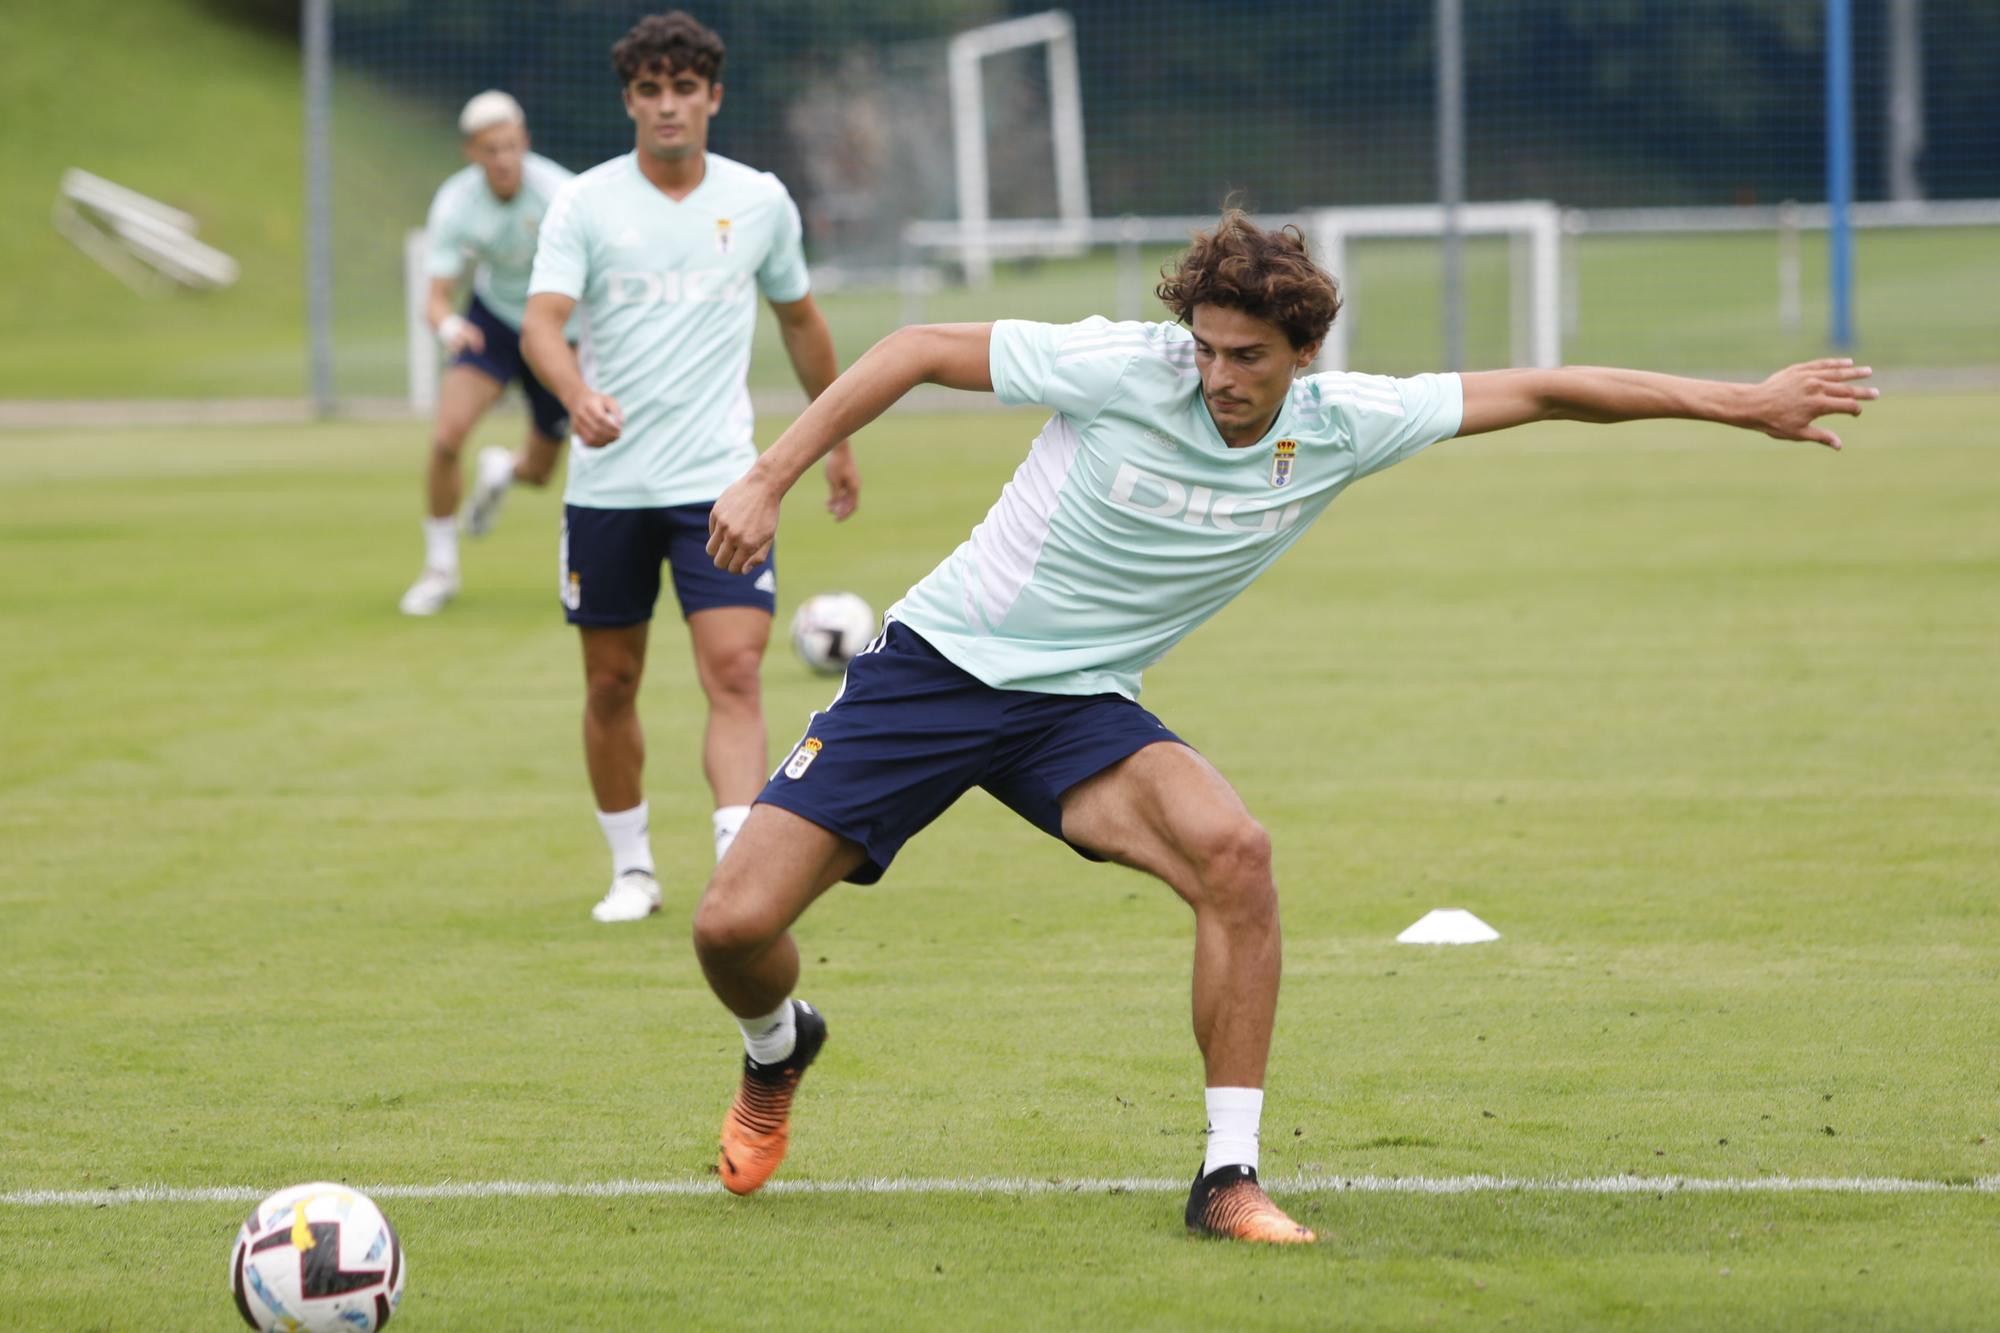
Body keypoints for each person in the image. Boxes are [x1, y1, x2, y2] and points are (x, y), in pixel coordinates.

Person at [694, 211, 1877, 1241]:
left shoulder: (1346, 420)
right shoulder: (1121, 366)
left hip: (1080, 707)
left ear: (1303, 355)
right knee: (730, 927)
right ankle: (776, 1049)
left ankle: (1226, 1173)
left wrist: (1741, 404)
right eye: (1204, 348)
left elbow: (1550, 388)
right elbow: (910, 350)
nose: (1215, 375)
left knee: (1235, 853)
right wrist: (767, 475)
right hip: (937, 672)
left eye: (1246, 356)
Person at [521, 13, 860, 923]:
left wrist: (835, 440)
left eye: (684, 89)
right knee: (610, 683)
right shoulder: (585, 202)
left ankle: (734, 857)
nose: (667, 106)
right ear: (629, 99)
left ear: (712, 97)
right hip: (608, 488)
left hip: (722, 482)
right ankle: (632, 869)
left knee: (737, 673)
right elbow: (542, 326)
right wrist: (573, 395)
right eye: (650, 90)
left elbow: (800, 319)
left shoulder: (759, 201)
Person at [400, 91, 578, 617]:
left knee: (543, 472)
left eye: (510, 146)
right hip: (494, 321)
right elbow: (435, 297)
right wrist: (450, 324)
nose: (502, 159)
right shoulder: (455, 202)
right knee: (446, 436)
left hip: (558, 326)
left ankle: (504, 470)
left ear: (524, 143)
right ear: (471, 153)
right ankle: (439, 569)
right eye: (489, 149)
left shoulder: (561, 194)